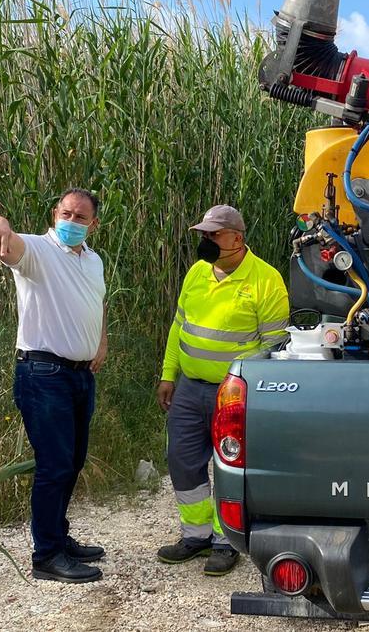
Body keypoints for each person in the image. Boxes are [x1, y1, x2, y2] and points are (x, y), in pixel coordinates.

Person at [0, 188, 108, 584]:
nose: (71, 222)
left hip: (80, 376)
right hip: (43, 374)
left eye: (80, 217)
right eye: (65, 214)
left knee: (72, 461)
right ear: (54, 214)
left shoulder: (93, 260)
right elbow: (9, 245)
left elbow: (98, 303)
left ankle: (59, 536)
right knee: (54, 465)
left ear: (93, 224)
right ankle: (47, 554)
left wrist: (101, 341)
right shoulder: (38, 252)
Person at [157, 204, 289, 576]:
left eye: (214, 234)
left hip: (233, 392)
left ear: (237, 237)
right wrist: (169, 374)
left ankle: (224, 541)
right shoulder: (197, 273)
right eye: (204, 235)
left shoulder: (265, 280)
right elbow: (178, 326)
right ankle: (195, 536)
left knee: (229, 465)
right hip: (188, 387)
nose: (207, 240)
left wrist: (246, 387)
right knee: (182, 461)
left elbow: (275, 344)